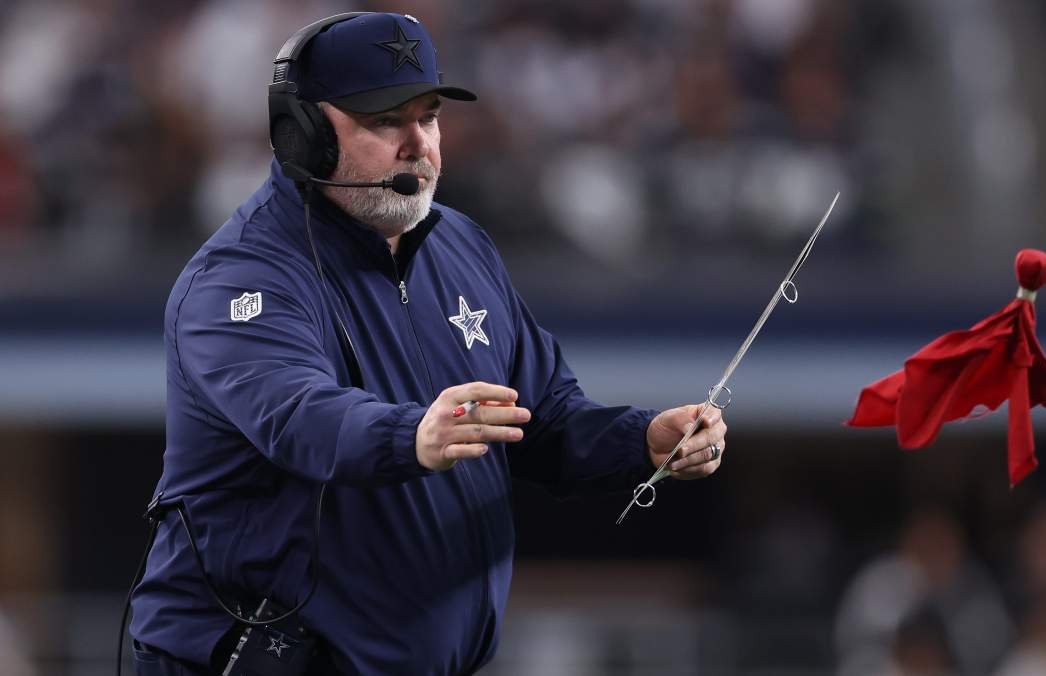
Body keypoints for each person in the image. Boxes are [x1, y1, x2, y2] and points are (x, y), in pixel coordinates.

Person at [127, 11, 727, 676]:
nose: (419, 144)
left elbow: (544, 419)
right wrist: (413, 435)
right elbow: (300, 417)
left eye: (430, 116)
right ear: (303, 135)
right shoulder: (241, 278)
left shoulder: (460, 245)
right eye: (387, 121)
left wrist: (643, 440)